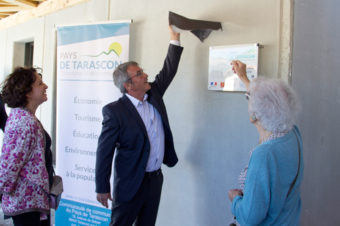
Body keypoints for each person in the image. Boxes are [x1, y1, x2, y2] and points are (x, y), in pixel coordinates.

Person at [95, 26, 183, 226]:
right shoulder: (115, 111)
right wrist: (102, 186)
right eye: (139, 73)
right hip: (130, 182)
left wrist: (174, 37)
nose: (145, 75)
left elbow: (169, 69)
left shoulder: (154, 94)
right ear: (128, 85)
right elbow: (104, 151)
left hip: (154, 180)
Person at [228, 60, 303, 225]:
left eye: (249, 100)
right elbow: (270, 100)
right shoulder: (292, 133)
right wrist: (244, 78)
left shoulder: (264, 154)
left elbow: (249, 218)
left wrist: (235, 200)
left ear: (254, 116)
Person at [0, 67, 53, 226]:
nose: (45, 86)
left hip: (33, 202)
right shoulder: (23, 122)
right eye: (40, 83)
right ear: (27, 92)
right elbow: (9, 166)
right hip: (26, 203)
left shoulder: (26, 117)